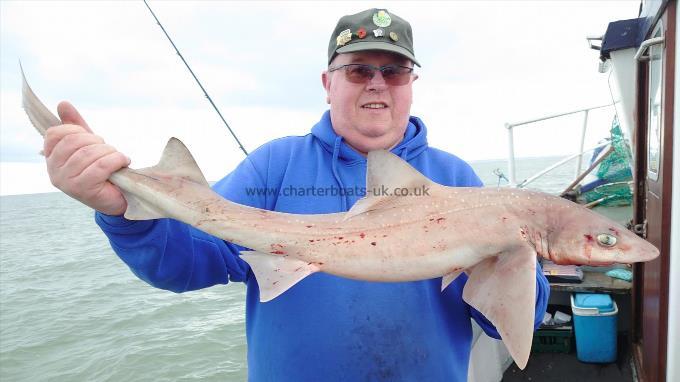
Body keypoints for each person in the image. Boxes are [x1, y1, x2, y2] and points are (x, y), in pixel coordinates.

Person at [43, 8, 549, 381]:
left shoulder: (455, 178)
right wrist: (123, 214)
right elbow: (188, 265)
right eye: (358, 70)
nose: (377, 83)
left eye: (393, 71)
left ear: (411, 84)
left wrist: (512, 260)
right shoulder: (277, 166)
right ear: (328, 83)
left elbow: (507, 321)